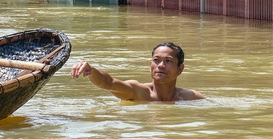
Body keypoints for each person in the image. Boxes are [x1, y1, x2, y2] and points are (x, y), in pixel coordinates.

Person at [70, 42, 204, 102]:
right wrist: (91, 71)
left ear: (180, 69)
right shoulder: (139, 92)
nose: (161, 66)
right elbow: (109, 83)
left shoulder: (190, 97)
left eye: (168, 61)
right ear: (150, 64)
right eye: (156, 60)